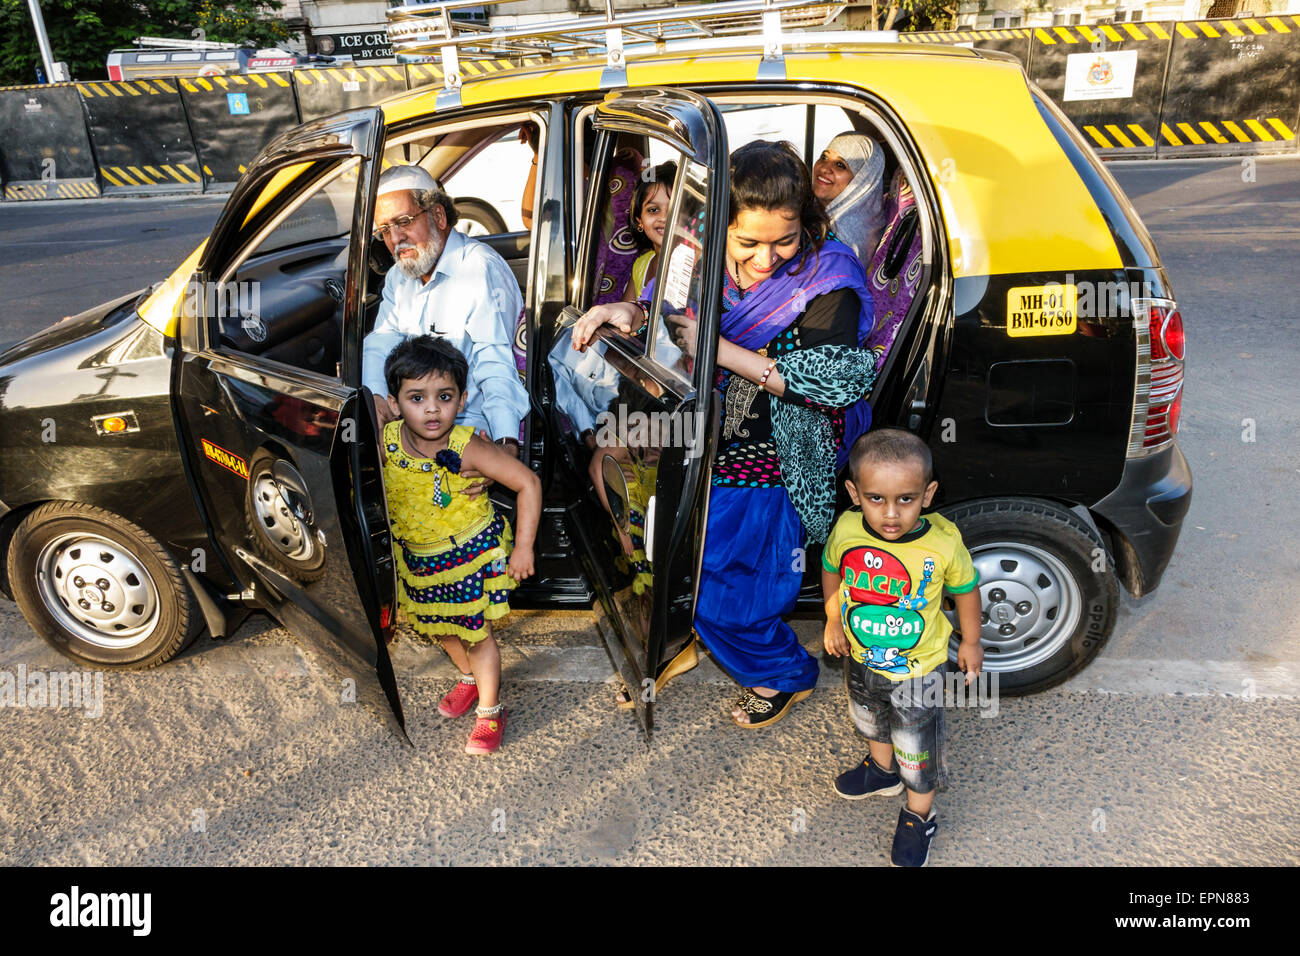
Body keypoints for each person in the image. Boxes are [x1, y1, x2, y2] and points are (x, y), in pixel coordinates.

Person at [572, 139, 877, 728]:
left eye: (783, 240)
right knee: (673, 563)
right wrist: (628, 313)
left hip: (775, 456)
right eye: (749, 243)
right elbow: (667, 307)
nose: (765, 260)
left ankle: (783, 671)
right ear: (721, 224)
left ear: (805, 222)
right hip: (696, 439)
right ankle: (689, 636)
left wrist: (716, 348)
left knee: (734, 598)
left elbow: (824, 385)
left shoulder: (827, 278)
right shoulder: (699, 253)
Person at [821, 428, 983, 866]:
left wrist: (970, 640)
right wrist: (833, 618)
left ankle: (919, 814)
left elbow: (966, 591)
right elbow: (831, 568)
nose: (890, 514)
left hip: (920, 671)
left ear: (927, 494)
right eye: (876, 498)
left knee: (916, 748)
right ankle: (880, 772)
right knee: (870, 719)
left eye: (906, 499)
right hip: (860, 658)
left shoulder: (944, 541)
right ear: (854, 492)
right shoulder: (848, 527)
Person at [381, 335, 542, 755]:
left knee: (476, 634)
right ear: (395, 403)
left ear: (462, 398)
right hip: (420, 560)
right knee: (439, 628)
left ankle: (491, 711)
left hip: (469, 556)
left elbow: (528, 482)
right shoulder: (388, 442)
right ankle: (469, 680)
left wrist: (523, 547)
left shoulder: (467, 446)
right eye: (417, 397)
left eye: (445, 396)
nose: (432, 408)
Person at [363, 165, 529, 460]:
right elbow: (381, 341)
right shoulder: (399, 278)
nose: (395, 239)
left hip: (472, 432)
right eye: (385, 230)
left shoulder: (478, 269)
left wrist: (505, 443)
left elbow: (497, 363)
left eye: (403, 221)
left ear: (438, 216)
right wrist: (376, 396)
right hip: (416, 429)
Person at [812, 132, 887, 267]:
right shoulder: (820, 211)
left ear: (861, 181)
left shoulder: (843, 239)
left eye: (840, 165)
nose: (824, 168)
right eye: (824, 157)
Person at [622, 161, 676, 302]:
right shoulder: (641, 265)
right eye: (653, 210)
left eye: (674, 209)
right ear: (639, 220)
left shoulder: (696, 264)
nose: (664, 218)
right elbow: (624, 312)